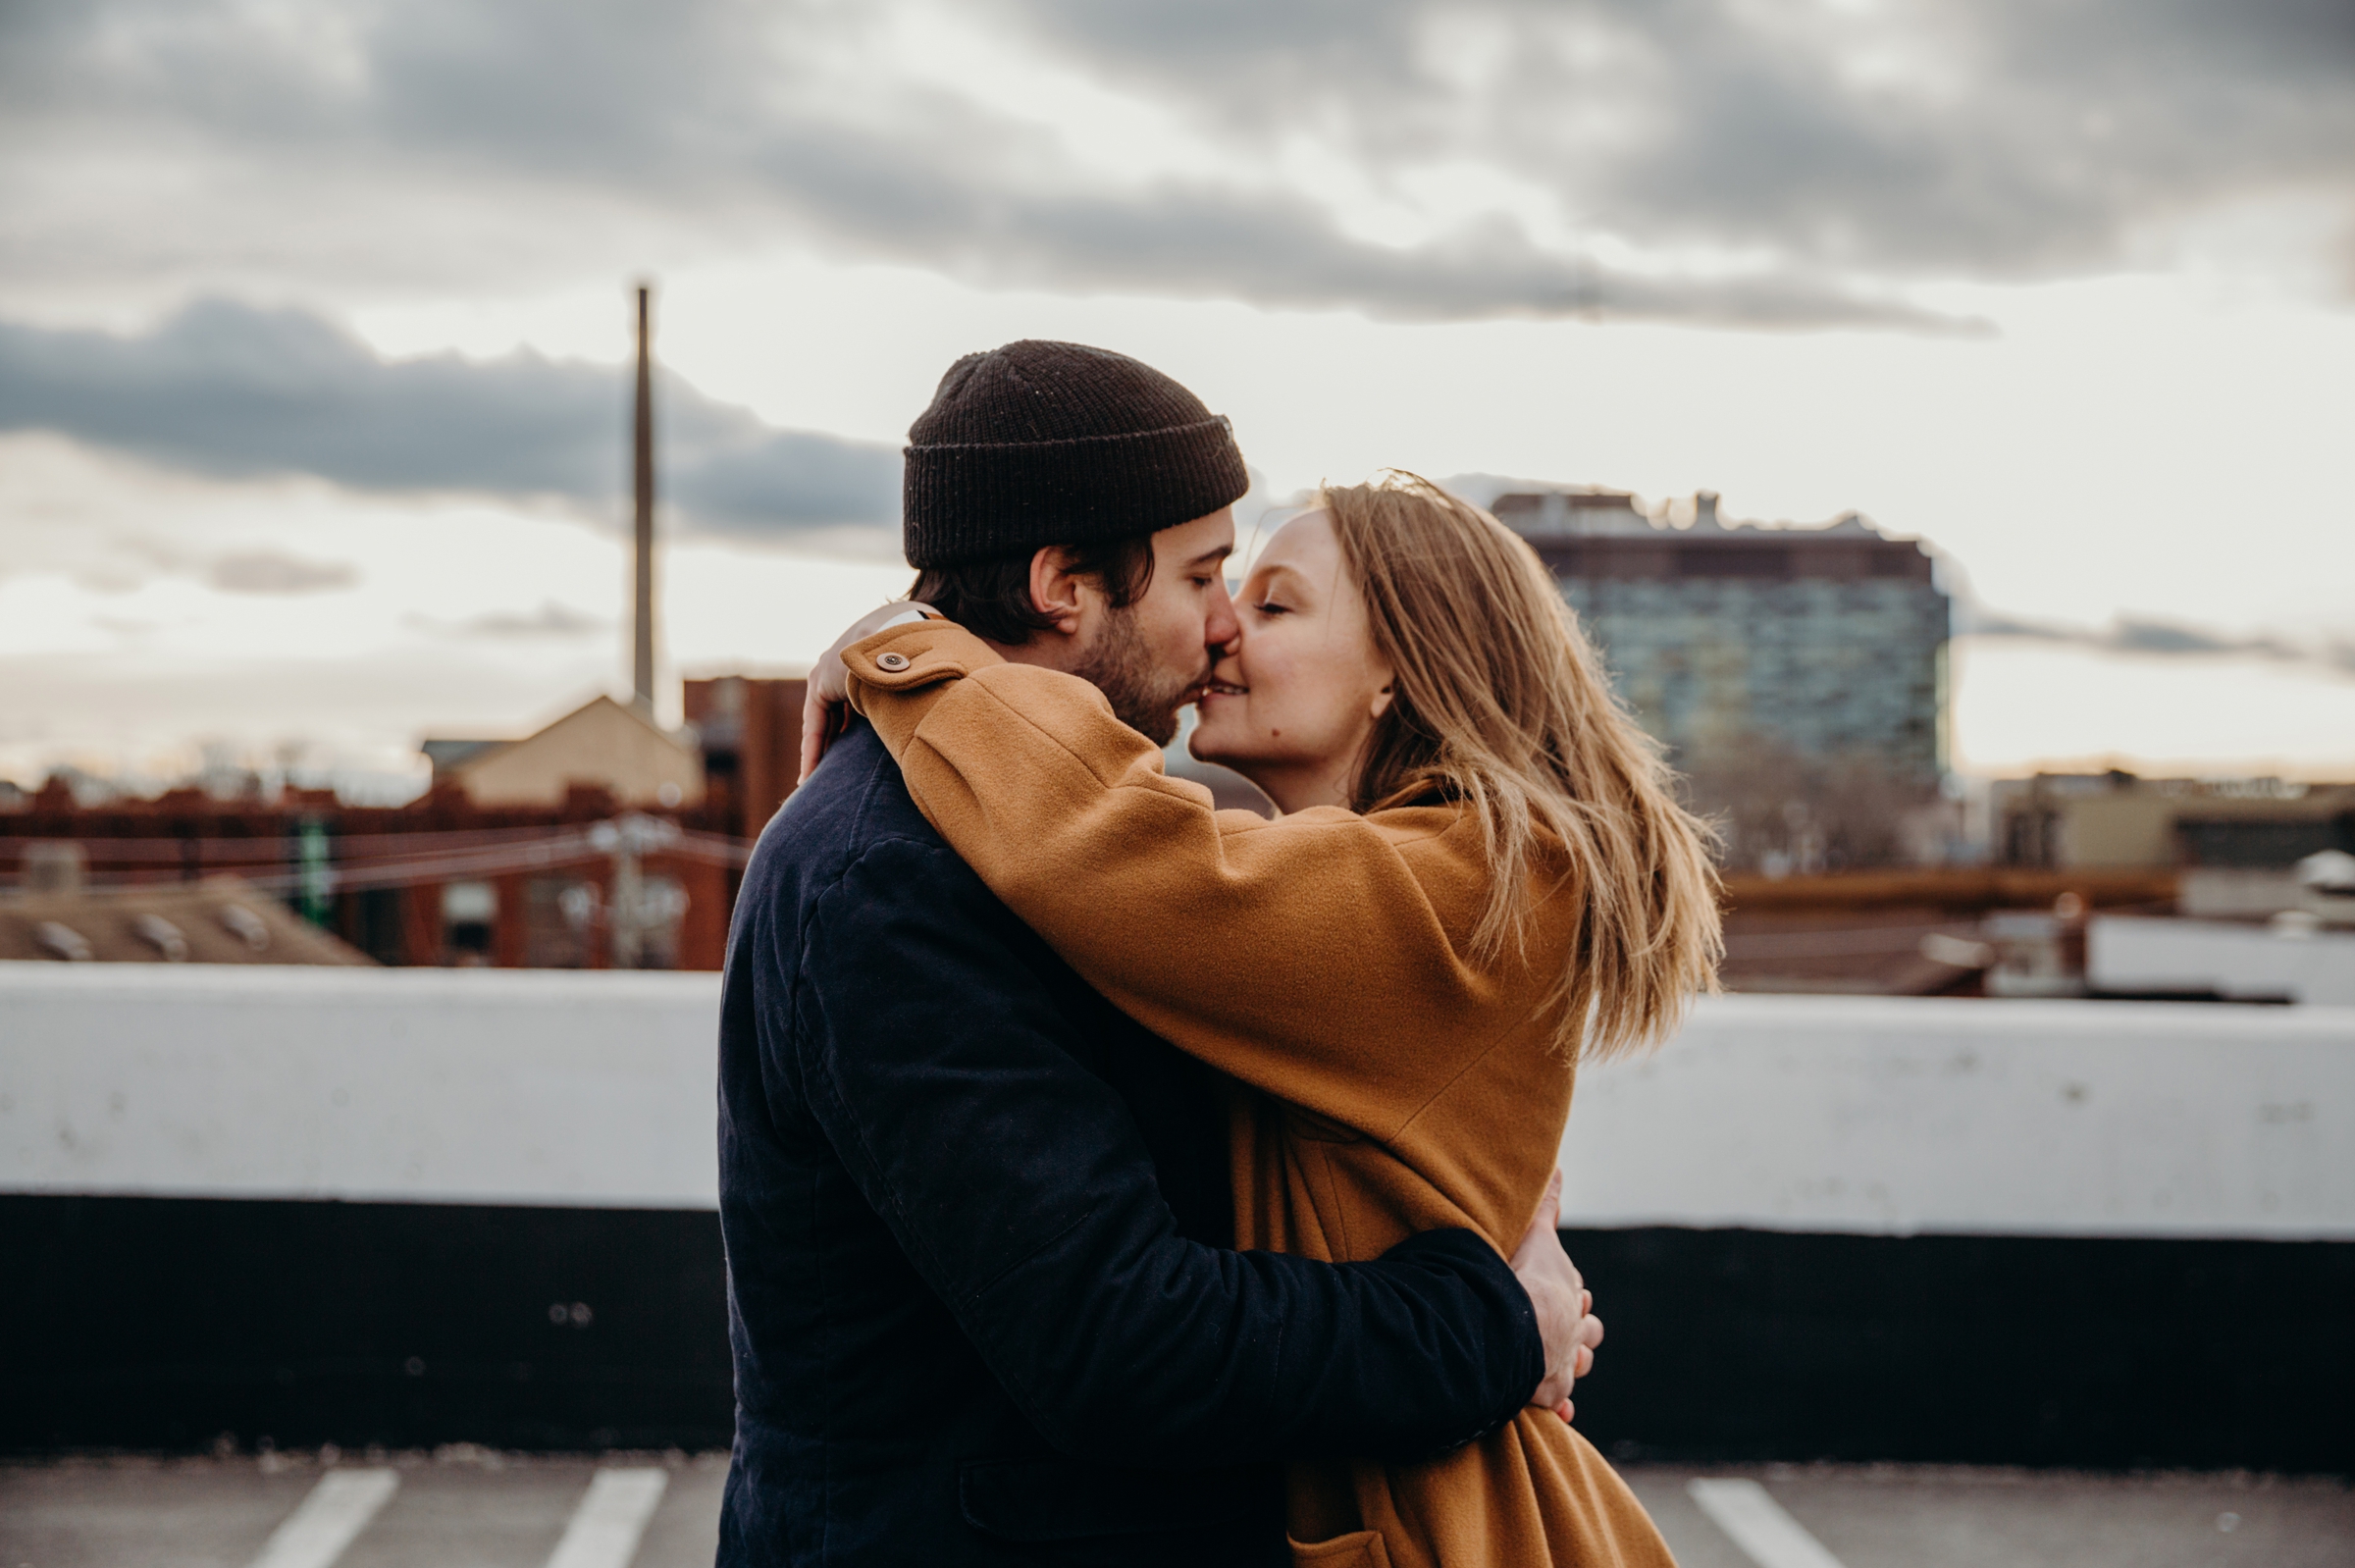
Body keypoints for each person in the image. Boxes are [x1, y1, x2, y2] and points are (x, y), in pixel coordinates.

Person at [717, 344, 1601, 1567]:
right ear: (1064, 585)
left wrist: (912, 659)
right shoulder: (900, 870)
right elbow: (1123, 1341)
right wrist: (1496, 1318)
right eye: (1205, 573)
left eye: (1263, 593)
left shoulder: (1395, 870)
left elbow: (1161, 865)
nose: (1225, 620)